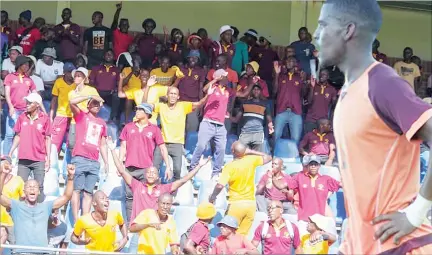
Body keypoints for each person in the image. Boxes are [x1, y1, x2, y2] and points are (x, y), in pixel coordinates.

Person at [315, 0, 432, 254]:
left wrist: (416, 213)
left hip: (400, 245)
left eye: (323, 25)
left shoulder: (382, 83)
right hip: (364, 245)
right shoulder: (348, 91)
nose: (315, 34)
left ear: (348, 30)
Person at [109, 136, 211, 223]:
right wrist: (113, 150)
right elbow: (122, 171)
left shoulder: (163, 189)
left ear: (158, 177)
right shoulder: (137, 185)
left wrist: (199, 166)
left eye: (154, 173)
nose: (151, 174)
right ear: (145, 175)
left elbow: (182, 181)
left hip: (154, 229)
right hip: (137, 228)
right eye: (149, 172)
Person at [189, 69, 253, 178]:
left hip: (220, 125)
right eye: (225, 76)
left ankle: (216, 173)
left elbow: (243, 94)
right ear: (220, 77)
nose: (227, 78)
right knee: (200, 146)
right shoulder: (213, 87)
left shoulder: (228, 90)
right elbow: (205, 89)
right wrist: (215, 80)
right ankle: (192, 169)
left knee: (221, 149)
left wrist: (252, 83)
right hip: (208, 122)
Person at [0, 159, 75, 252]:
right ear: (24, 192)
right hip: (21, 252)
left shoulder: (46, 206)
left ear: (39, 192)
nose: (32, 189)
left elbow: (66, 197)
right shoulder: (16, 206)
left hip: (42, 252)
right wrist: (3, 174)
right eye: (29, 187)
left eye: (35, 187)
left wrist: (71, 178)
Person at [143, 85, 213, 181]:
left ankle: (174, 194)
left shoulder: (183, 106)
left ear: (178, 97)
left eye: (175, 94)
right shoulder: (161, 106)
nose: (172, 96)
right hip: (162, 143)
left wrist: (208, 95)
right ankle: (156, 192)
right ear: (167, 96)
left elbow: (200, 103)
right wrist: (148, 87)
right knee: (154, 169)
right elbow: (144, 105)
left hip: (177, 144)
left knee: (177, 170)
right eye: (171, 94)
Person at [118, 103, 171, 221]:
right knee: (130, 197)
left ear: (147, 113)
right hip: (129, 168)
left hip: (145, 170)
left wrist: (168, 166)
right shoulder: (128, 127)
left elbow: (162, 148)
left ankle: (142, 223)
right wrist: (120, 163)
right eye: (136, 108)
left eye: (140, 109)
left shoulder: (154, 129)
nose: (136, 111)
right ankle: (130, 224)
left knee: (145, 197)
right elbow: (123, 146)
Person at [209, 141, 272, 235]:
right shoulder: (251, 160)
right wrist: (250, 151)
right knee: (241, 237)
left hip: (236, 204)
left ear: (232, 151)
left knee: (228, 236)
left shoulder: (229, 166)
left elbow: (220, 185)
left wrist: (213, 197)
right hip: (250, 205)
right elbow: (269, 157)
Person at [69, 72, 108, 222]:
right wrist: (89, 96)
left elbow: (102, 144)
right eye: (94, 104)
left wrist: (106, 162)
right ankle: (75, 219)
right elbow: (72, 102)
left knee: (88, 193)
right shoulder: (81, 116)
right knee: (76, 190)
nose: (96, 106)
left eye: (98, 104)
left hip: (94, 161)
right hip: (80, 158)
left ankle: (85, 220)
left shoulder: (102, 123)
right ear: (88, 105)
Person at [8, 93, 51, 202]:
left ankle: (40, 214)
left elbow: (48, 139)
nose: (26, 104)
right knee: (21, 187)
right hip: (23, 159)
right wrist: (10, 152)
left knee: (39, 187)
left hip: (39, 159)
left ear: (37, 105)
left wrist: (48, 158)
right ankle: (21, 213)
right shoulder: (22, 117)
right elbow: (18, 135)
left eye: (30, 103)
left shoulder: (45, 119)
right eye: (26, 102)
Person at [3, 56, 37, 157]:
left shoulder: (29, 79)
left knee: (22, 135)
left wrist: (37, 106)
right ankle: (5, 158)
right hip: (12, 109)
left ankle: (19, 158)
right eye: (25, 64)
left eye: (28, 65)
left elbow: (35, 94)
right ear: (19, 64)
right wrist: (11, 106)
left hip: (24, 111)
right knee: (9, 135)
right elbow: (7, 94)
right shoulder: (9, 77)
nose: (27, 67)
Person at [273, 57, 307, 146]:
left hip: (295, 112)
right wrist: (276, 74)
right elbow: (274, 91)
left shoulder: (299, 77)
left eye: (290, 61)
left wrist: (303, 81)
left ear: (295, 64)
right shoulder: (281, 76)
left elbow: (303, 94)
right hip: (281, 110)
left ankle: (293, 157)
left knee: (295, 138)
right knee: (276, 135)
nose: (287, 62)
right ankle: (274, 156)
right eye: (287, 61)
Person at [231, 84, 273, 152]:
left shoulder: (265, 104)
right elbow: (236, 119)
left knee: (256, 157)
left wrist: (271, 127)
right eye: (254, 89)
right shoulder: (244, 103)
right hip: (245, 133)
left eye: (258, 89)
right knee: (242, 155)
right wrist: (228, 116)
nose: (256, 91)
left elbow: (269, 119)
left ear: (260, 92)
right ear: (251, 91)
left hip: (258, 134)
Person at [66, 67, 99, 152]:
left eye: (79, 76)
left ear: (84, 78)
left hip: (88, 122)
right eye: (75, 76)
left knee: (87, 146)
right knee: (72, 146)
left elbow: (99, 103)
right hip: (75, 122)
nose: (76, 78)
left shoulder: (91, 90)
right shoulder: (71, 93)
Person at [177, 50, 207, 132]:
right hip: (180, 101)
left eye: (196, 58)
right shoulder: (181, 69)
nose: (193, 60)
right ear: (188, 58)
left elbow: (201, 89)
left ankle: (189, 144)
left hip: (193, 103)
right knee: (179, 125)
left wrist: (200, 106)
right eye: (191, 58)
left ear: (198, 60)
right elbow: (176, 84)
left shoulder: (201, 71)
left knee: (192, 126)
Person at [50, 62, 76, 153]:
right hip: (61, 114)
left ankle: (68, 164)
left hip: (74, 116)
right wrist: (51, 116)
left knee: (71, 143)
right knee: (55, 142)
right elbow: (54, 99)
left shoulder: (77, 83)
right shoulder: (59, 82)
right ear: (64, 72)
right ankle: (53, 162)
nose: (71, 74)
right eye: (69, 72)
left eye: (72, 72)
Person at [89, 49, 121, 123]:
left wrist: (116, 88)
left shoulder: (117, 70)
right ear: (104, 56)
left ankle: (113, 118)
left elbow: (119, 83)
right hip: (98, 93)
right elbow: (91, 82)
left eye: (111, 54)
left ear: (113, 57)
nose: (109, 55)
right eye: (107, 54)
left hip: (110, 94)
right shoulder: (96, 68)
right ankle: (90, 117)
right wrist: (95, 90)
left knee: (117, 95)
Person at [304, 68, 337, 133]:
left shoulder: (332, 90)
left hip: (323, 122)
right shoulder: (314, 85)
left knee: (321, 142)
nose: (321, 75)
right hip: (311, 120)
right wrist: (312, 87)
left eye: (324, 74)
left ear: (328, 77)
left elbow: (334, 106)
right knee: (309, 141)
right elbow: (309, 101)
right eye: (320, 74)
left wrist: (330, 121)